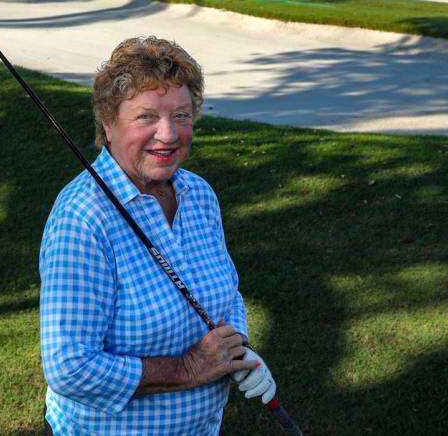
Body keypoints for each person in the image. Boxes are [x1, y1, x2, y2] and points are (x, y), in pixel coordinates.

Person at [39, 36, 276, 435]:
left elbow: (228, 294)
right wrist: (190, 368)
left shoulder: (197, 194)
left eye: (181, 116)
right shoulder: (83, 217)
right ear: (109, 124)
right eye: (146, 117)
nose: (168, 135)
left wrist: (237, 350)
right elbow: (70, 367)